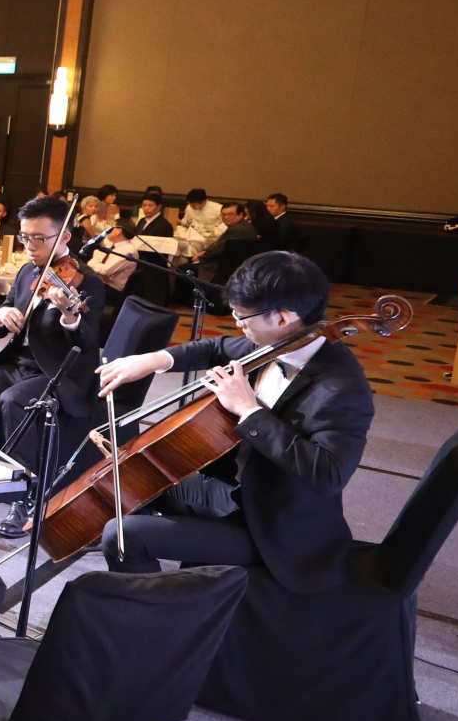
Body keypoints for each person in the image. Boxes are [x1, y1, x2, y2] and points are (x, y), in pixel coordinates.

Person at [95, 251, 370, 591]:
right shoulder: (280, 342)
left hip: (271, 527)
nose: (238, 324)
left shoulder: (342, 389)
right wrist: (152, 360)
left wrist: (249, 410)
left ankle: (161, 622)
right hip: (234, 489)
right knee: (129, 477)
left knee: (123, 536)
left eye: (243, 317)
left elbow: (328, 474)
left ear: (282, 317)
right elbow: (216, 347)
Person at [0, 194, 106, 538]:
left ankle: (28, 494)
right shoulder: (25, 271)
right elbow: (0, 313)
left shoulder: (88, 282)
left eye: (39, 238)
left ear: (64, 237)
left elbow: (89, 342)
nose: (30, 246)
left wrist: (69, 317)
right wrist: (0, 314)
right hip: (15, 363)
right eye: (25, 237)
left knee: (14, 400)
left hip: (58, 372)